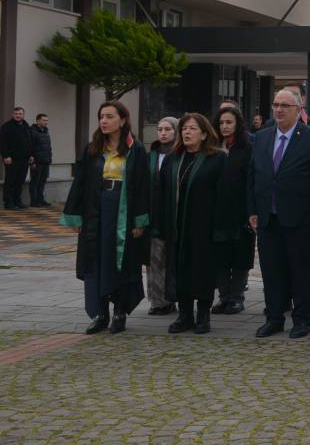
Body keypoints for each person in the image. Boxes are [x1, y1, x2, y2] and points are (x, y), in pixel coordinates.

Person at [248, 88, 310, 339]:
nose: (279, 109)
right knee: (271, 271)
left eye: (284, 106)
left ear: (298, 110)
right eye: (275, 105)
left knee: (300, 271)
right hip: (268, 217)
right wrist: (252, 210)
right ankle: (274, 318)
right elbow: (252, 176)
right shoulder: (261, 137)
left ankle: (302, 319)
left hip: (301, 218)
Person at [60, 101, 150, 334]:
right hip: (95, 209)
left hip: (123, 210)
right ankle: (100, 313)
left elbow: (143, 186)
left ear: (122, 120)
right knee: (95, 260)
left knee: (119, 261)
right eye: (101, 116)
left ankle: (119, 311)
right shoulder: (93, 149)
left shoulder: (136, 149)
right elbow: (80, 182)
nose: (104, 121)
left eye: (110, 116)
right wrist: (75, 216)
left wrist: (139, 221)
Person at [155, 113, 225, 335]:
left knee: (202, 270)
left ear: (204, 134)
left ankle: (203, 316)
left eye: (192, 128)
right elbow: (161, 192)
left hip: (203, 226)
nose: (187, 132)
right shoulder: (173, 159)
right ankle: (185, 316)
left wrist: (220, 227)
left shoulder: (217, 159)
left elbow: (225, 194)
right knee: (179, 270)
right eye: (184, 128)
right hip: (177, 226)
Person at [212, 105, 254, 315]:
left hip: (240, 212)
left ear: (238, 124)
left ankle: (236, 298)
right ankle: (224, 297)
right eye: (221, 123)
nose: (225, 126)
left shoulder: (248, 148)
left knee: (239, 256)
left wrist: (251, 211)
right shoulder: (212, 148)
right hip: (217, 212)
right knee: (219, 257)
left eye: (229, 122)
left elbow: (252, 180)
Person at [145, 117, 179, 316]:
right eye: (160, 129)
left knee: (171, 259)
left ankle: (173, 297)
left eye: (168, 129)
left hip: (173, 216)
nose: (163, 133)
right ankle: (158, 301)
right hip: (153, 216)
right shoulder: (151, 156)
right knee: (154, 259)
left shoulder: (180, 155)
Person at [1, 106, 33, 209]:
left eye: (20, 114)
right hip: (11, 159)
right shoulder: (7, 127)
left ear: (23, 115)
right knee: (10, 181)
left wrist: (31, 155)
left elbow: (29, 141)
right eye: (16, 114)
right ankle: (8, 202)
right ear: (12, 115)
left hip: (24, 159)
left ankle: (17, 200)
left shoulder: (26, 126)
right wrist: (6, 156)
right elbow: (3, 143)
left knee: (20, 181)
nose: (18, 116)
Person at [29, 113, 51, 207]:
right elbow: (30, 147)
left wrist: (49, 159)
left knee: (42, 182)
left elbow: (48, 147)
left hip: (46, 161)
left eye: (47, 120)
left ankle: (40, 200)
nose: (46, 122)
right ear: (38, 121)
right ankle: (34, 201)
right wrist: (32, 162)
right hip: (37, 161)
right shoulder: (32, 131)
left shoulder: (46, 131)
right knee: (35, 182)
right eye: (44, 120)